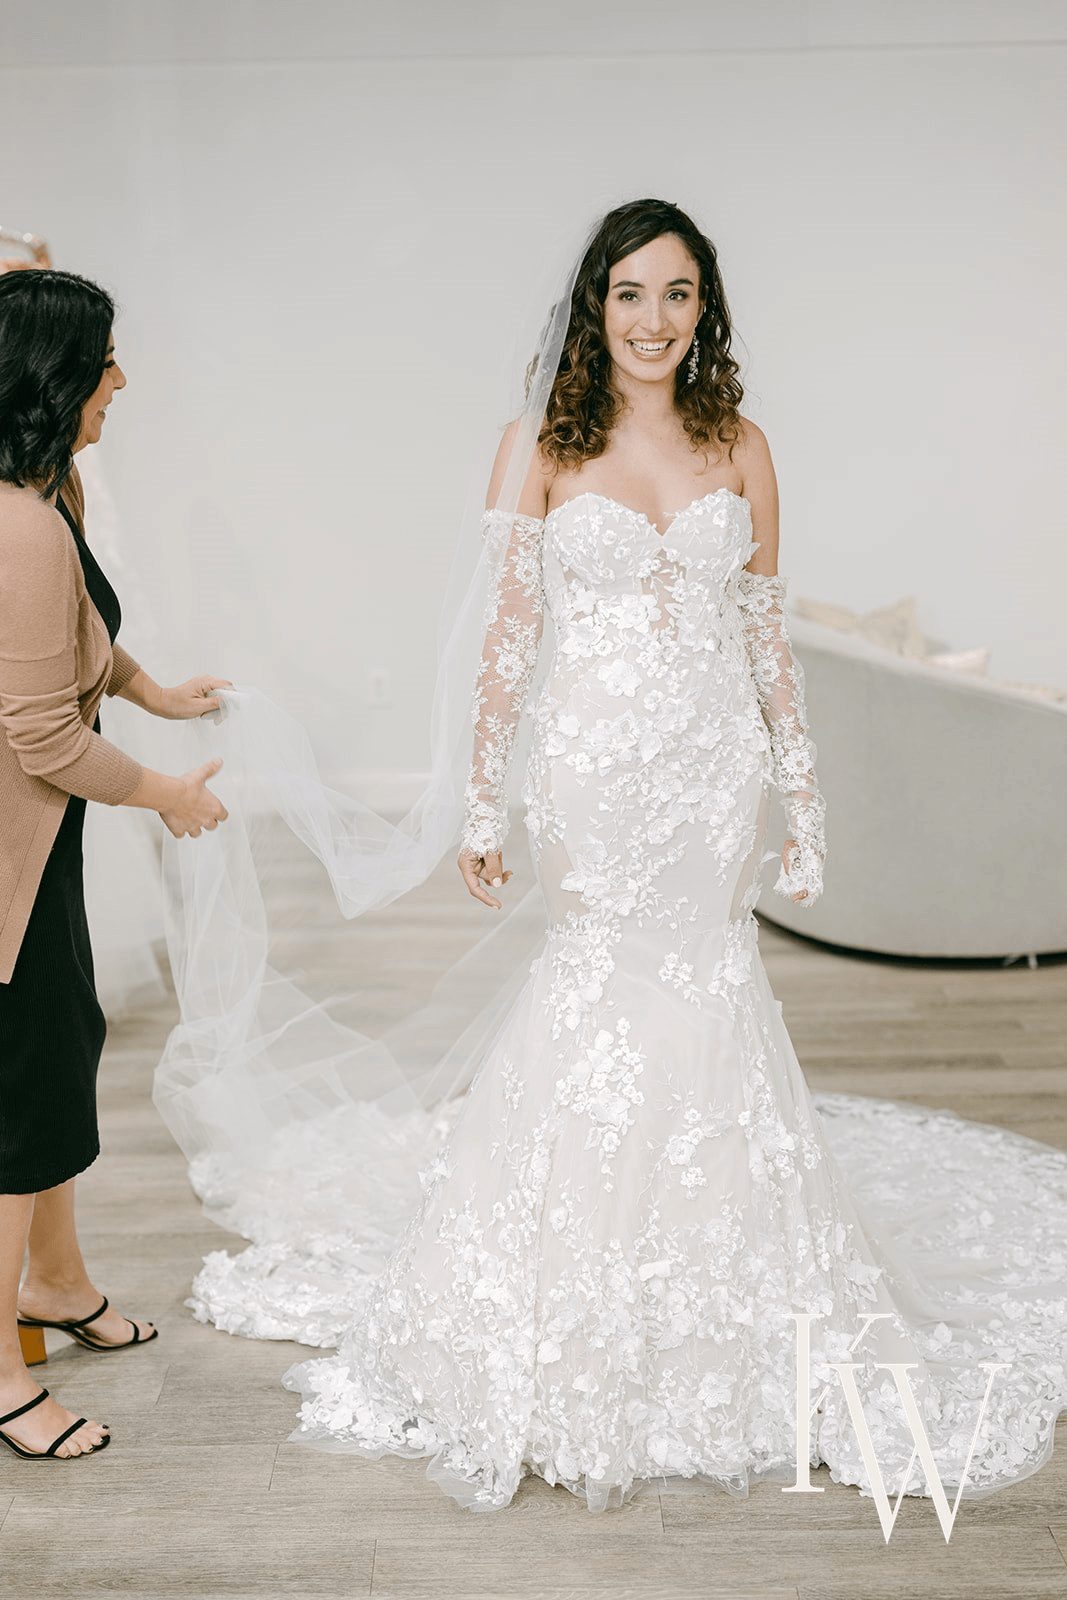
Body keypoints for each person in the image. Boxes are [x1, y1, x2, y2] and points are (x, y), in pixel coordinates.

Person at [158, 200, 1066, 1513]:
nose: (653, 319)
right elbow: (505, 638)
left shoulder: (740, 444)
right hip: (587, 770)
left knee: (706, 985)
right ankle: (564, 1285)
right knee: (598, 985)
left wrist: (802, 801)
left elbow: (763, 636)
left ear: (705, 311)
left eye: (677, 294)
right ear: (595, 304)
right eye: (630, 292)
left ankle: (724, 1287)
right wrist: (482, 806)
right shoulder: (536, 443)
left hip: (710, 773)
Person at [0, 269, 230, 1461]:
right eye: (103, 363)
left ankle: (55, 1280)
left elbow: (78, 629)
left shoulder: (55, 487)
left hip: (46, 835)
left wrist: (154, 694)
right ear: (53, 379)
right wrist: (167, 794)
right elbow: (42, 736)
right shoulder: (19, 525)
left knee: (61, 1050)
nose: (120, 381)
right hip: (11, 846)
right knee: (18, 1103)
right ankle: (0, 1374)